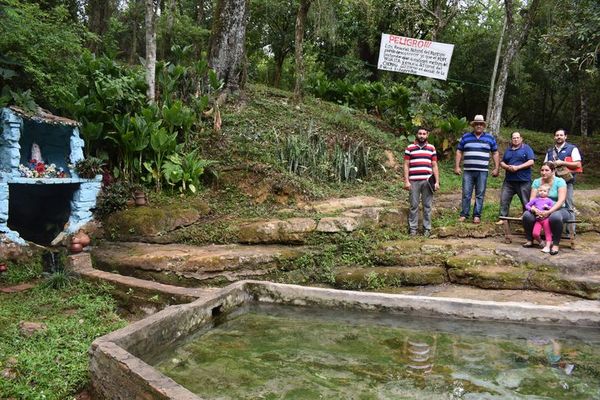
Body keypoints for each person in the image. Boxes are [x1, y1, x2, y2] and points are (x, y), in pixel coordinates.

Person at [454, 114, 499, 224]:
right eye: (477, 124)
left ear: (483, 126)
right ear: (473, 125)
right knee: (466, 193)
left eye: (481, 124)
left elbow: (495, 152)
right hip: (468, 170)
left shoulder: (490, 138)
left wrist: (496, 167)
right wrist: (457, 166)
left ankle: (477, 215)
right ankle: (464, 214)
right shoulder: (466, 137)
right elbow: (459, 151)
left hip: (482, 171)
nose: (479, 126)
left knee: (480, 194)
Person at [522, 162, 574, 255]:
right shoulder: (536, 182)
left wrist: (549, 211)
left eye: (547, 170)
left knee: (555, 217)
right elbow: (532, 199)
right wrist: (534, 209)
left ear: (553, 171)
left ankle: (555, 244)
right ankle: (530, 240)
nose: (543, 172)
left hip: (559, 209)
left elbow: (561, 201)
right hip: (539, 210)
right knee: (527, 215)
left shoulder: (560, 181)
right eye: (542, 170)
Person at [403, 127, 440, 237]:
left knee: (427, 206)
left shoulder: (431, 148)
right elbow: (406, 164)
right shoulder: (410, 148)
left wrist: (437, 182)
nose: (422, 136)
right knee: (413, 205)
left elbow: (434, 165)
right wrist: (406, 181)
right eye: (420, 133)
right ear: (416, 134)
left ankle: (427, 229)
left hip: (427, 181)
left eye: (424, 134)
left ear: (427, 135)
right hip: (413, 181)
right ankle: (413, 229)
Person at [497, 131, 535, 224]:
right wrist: (507, 167)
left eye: (517, 137)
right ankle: (503, 218)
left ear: (521, 139)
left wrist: (518, 167)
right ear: (511, 139)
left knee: (526, 201)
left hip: (524, 180)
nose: (516, 139)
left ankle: (527, 218)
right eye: (514, 138)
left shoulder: (526, 148)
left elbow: (531, 161)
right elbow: (502, 162)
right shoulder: (508, 150)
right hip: (509, 181)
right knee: (504, 199)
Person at [544, 129, 583, 212]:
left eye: (561, 135)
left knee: (568, 206)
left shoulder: (572, 148)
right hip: (552, 183)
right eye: (557, 135)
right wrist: (549, 164)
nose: (559, 137)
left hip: (567, 182)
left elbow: (578, 164)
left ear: (565, 137)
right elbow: (545, 166)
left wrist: (562, 162)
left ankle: (571, 225)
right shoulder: (550, 150)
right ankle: (555, 224)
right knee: (550, 205)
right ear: (554, 137)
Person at [525, 184, 554, 253]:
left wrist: (548, 207)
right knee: (535, 233)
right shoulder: (536, 200)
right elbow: (527, 205)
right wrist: (532, 209)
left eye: (544, 191)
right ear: (538, 191)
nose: (542, 192)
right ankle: (541, 242)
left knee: (548, 233)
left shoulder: (549, 201)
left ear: (548, 192)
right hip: (538, 220)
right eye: (540, 190)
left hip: (546, 219)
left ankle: (548, 246)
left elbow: (553, 209)